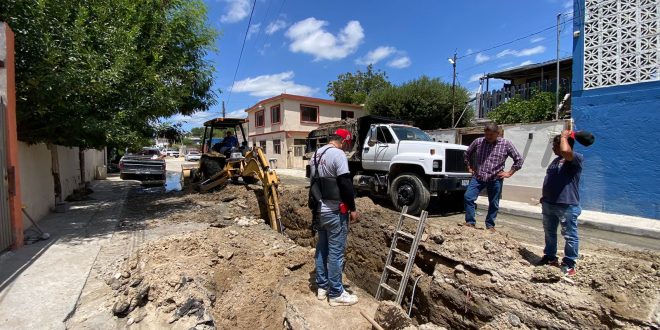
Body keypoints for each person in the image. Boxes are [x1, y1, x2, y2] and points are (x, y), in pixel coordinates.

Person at [309, 129, 360, 306]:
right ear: (344, 141)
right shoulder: (338, 155)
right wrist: (352, 208)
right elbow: (345, 183)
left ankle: (322, 287)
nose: (347, 147)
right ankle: (337, 293)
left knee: (322, 248)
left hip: (319, 211)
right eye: (348, 144)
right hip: (335, 211)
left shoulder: (316, 154)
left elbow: (314, 183)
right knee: (336, 253)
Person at [538, 131, 583, 276]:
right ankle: (550, 257)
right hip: (549, 203)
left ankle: (569, 263)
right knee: (549, 232)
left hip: (567, 205)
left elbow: (565, 151)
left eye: (555, 145)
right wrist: (544, 197)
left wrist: (564, 136)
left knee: (570, 235)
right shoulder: (555, 161)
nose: (553, 148)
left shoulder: (575, 158)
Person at [463, 123, 524, 231]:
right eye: (486, 134)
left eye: (491, 134)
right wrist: (469, 166)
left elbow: (518, 159)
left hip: (495, 178)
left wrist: (509, 173)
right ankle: (470, 222)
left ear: (497, 133)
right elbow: (467, 153)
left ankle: (490, 225)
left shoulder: (506, 144)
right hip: (478, 177)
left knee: (494, 203)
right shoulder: (478, 142)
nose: (488, 137)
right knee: (468, 197)